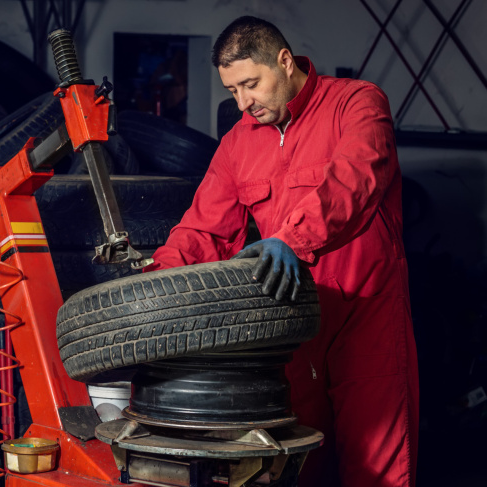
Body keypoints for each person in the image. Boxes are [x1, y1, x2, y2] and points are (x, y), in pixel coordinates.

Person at [143, 16, 419, 487]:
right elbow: (203, 230)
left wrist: (292, 238)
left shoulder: (356, 103)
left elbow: (355, 180)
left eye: (250, 84)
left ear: (285, 62)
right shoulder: (237, 145)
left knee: (376, 467)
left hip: (366, 315)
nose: (243, 102)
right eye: (233, 91)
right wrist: (150, 284)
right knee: (292, 465)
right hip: (290, 324)